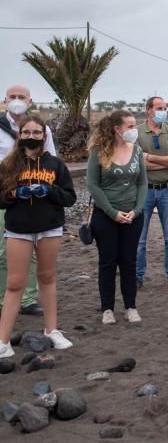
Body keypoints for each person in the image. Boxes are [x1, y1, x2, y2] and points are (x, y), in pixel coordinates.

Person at [0, 116, 76, 358]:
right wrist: (13, 194)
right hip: (18, 230)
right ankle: (3, 341)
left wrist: (50, 190)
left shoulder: (55, 165)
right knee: (14, 284)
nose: (31, 136)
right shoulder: (8, 165)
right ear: (19, 135)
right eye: (26, 132)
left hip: (49, 228)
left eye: (36, 132)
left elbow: (69, 197)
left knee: (47, 277)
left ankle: (52, 330)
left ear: (45, 136)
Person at [0, 85, 57, 318]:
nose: (16, 101)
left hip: (35, 194)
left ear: (30, 100)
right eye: (12, 97)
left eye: (21, 97)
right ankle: (4, 297)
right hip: (5, 195)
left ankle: (28, 298)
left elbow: (52, 160)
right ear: (4, 100)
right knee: (4, 250)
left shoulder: (42, 130)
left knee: (34, 247)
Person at [86, 110, 148, 325]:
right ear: (117, 129)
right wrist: (113, 213)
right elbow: (92, 184)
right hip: (105, 217)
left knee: (129, 261)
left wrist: (137, 210)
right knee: (108, 262)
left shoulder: (137, 151)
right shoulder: (98, 151)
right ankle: (107, 309)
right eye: (130, 126)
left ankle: (130, 306)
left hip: (133, 216)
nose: (134, 130)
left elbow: (142, 183)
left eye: (134, 125)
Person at [135, 96, 168, 290]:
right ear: (148, 110)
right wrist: (166, 160)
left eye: (165, 107)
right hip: (143, 191)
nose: (163, 110)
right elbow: (136, 164)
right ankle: (137, 276)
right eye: (159, 107)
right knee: (139, 239)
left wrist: (149, 157)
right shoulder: (137, 132)